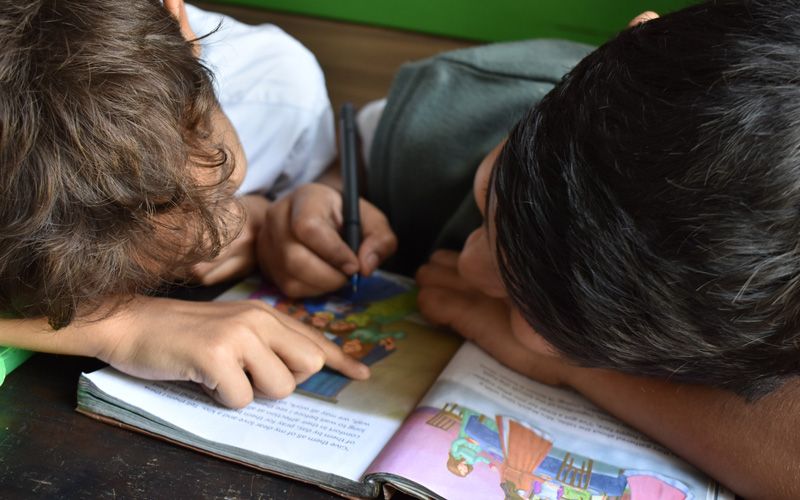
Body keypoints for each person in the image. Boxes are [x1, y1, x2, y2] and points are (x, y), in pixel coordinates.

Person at [258, 2, 800, 497]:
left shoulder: (770, 293)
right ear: (635, 36)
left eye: (531, 313)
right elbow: (354, 149)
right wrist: (323, 191)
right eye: (490, 192)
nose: (469, 266)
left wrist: (580, 372)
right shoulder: (457, 105)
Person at [0, 0, 387, 409]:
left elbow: (327, 170)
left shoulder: (278, 93)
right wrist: (118, 326)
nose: (213, 235)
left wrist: (299, 202)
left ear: (175, 17)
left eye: (222, 189)